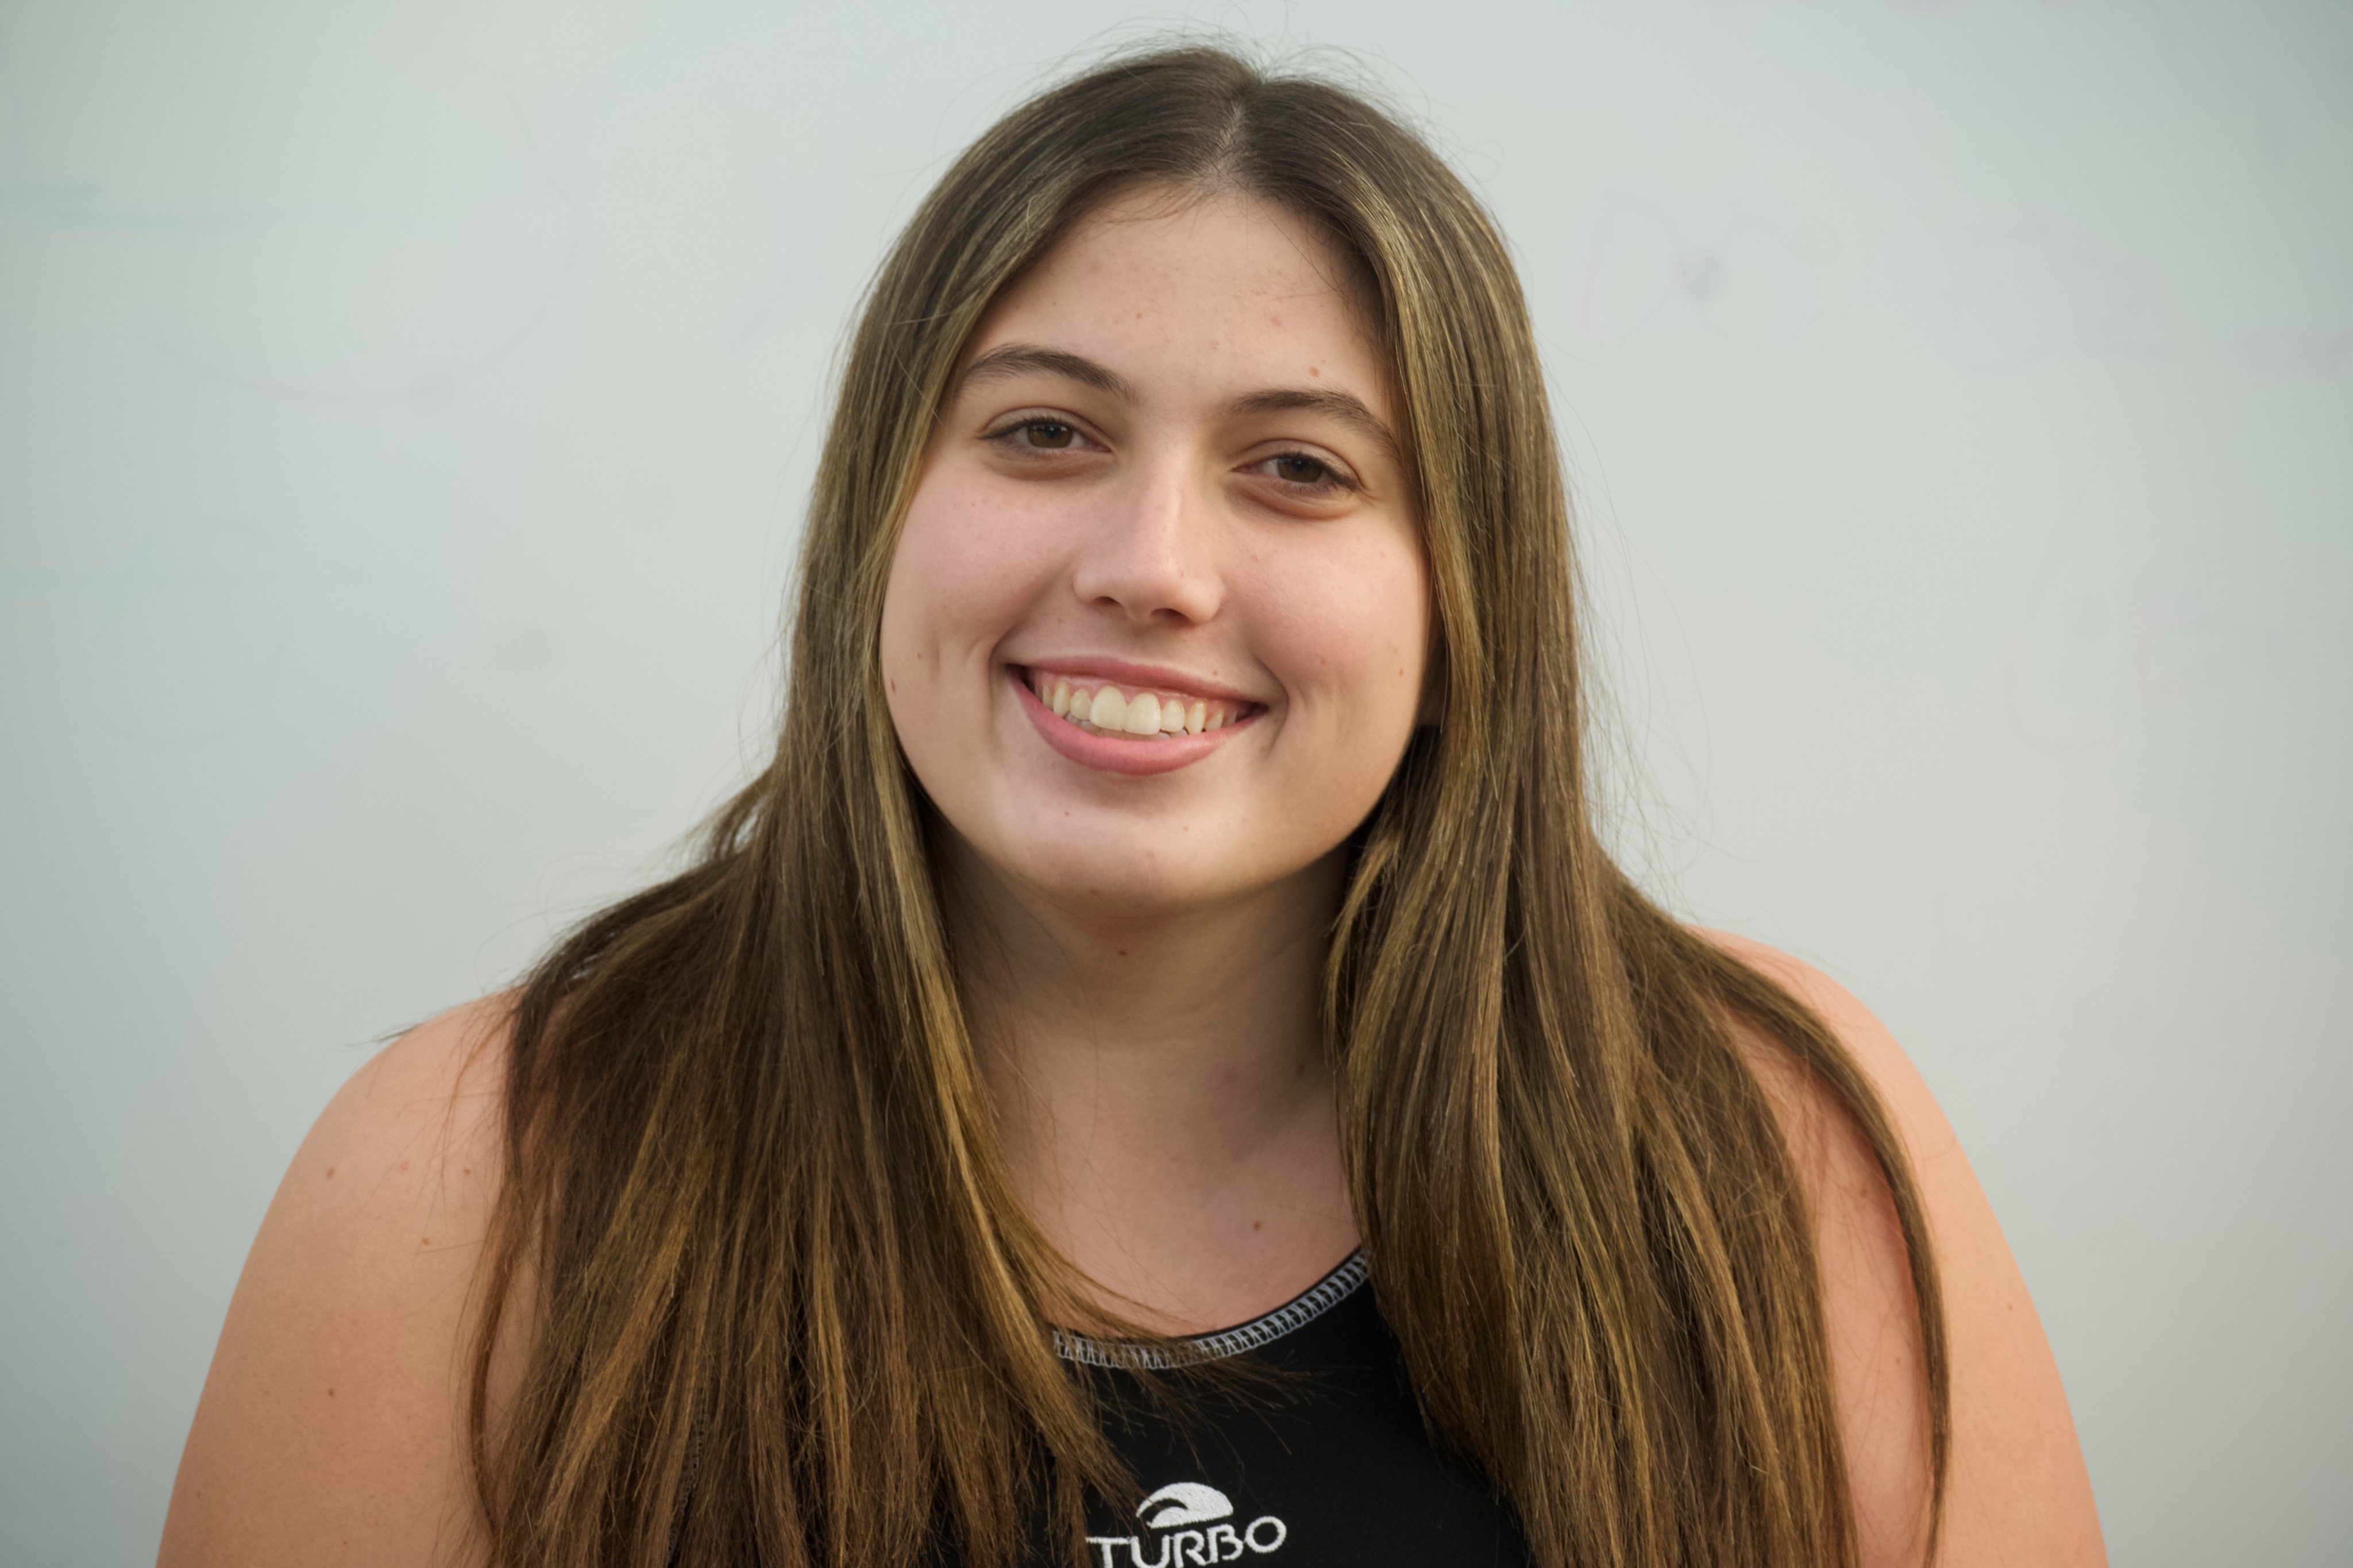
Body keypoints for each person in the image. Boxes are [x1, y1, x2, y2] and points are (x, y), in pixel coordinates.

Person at [156, 45, 2104, 1568]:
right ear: (876, 526)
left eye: (1299, 468)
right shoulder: (472, 1178)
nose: (1152, 564)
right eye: (1044, 431)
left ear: (1463, 604)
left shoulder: (1778, 1143)